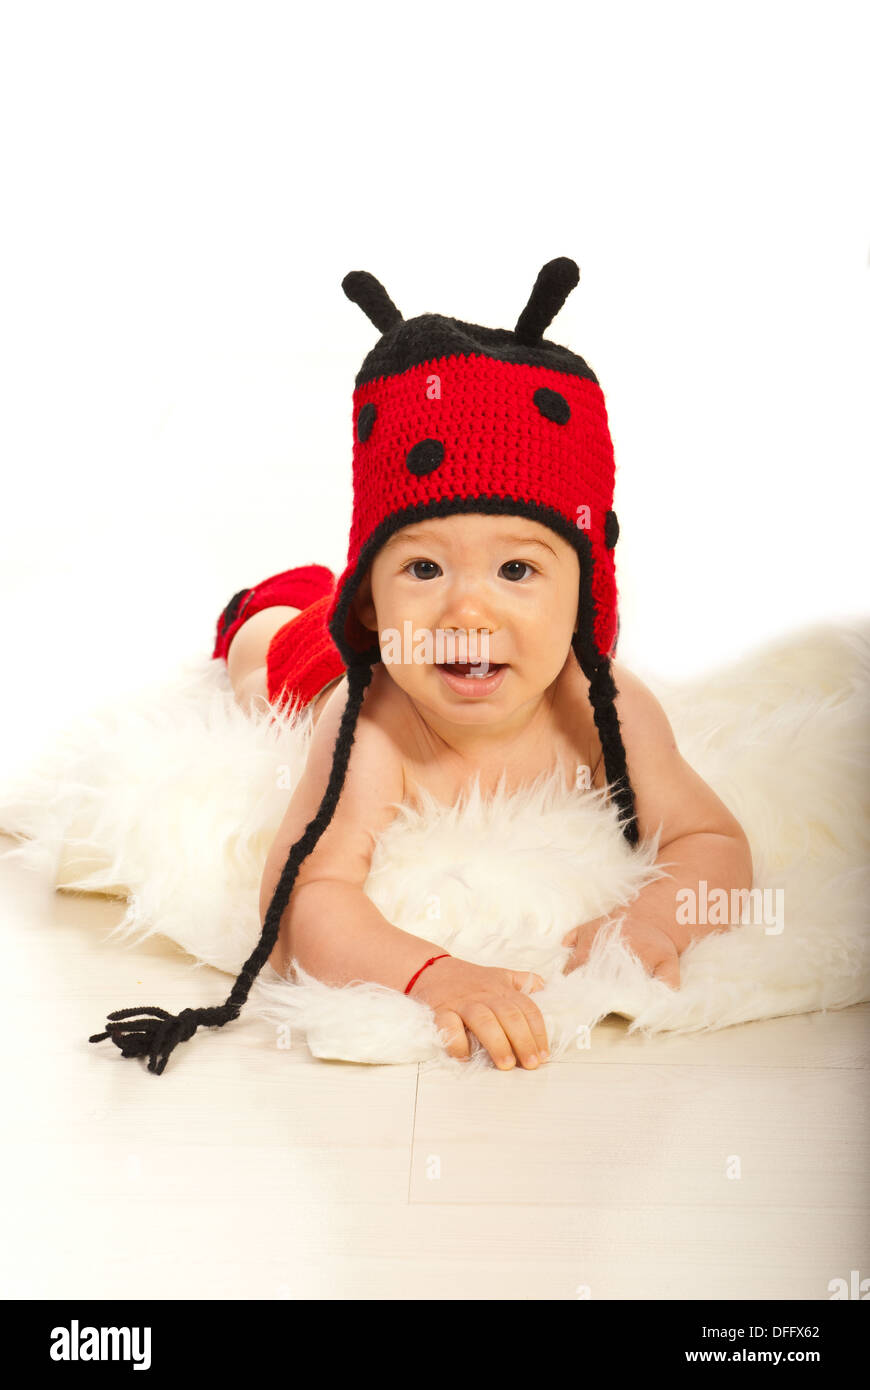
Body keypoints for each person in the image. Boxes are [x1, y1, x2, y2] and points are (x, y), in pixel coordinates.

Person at [90, 257, 752, 1077]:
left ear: (585, 599)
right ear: (372, 601)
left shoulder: (605, 707)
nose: (467, 614)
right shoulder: (369, 726)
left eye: (517, 571)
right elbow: (303, 895)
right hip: (327, 658)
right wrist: (431, 974)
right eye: (424, 570)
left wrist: (655, 919)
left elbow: (711, 839)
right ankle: (274, 604)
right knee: (264, 666)